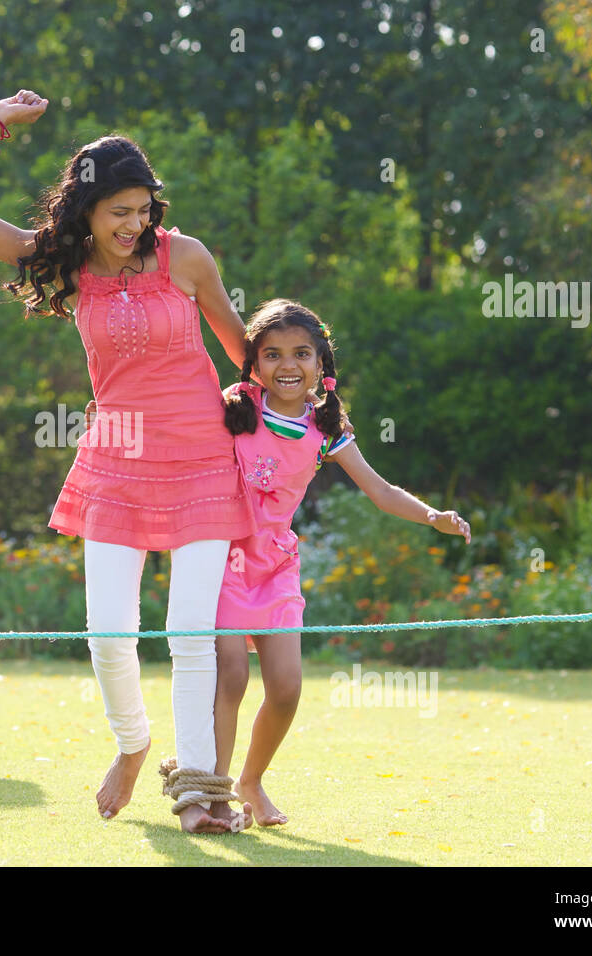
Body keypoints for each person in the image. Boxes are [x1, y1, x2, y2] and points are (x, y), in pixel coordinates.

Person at [0, 90, 257, 833]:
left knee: (188, 635)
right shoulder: (69, 262)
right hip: (115, 458)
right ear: (85, 209)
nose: (134, 223)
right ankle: (133, 745)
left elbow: (246, 355)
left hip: (203, 458)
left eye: (144, 208)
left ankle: (204, 796)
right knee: (108, 633)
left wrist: (309, 415)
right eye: (119, 210)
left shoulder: (188, 258)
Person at [214, 299, 472, 825]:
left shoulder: (325, 426)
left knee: (285, 689)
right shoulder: (234, 407)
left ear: (321, 364)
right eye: (273, 354)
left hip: (276, 564)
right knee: (231, 676)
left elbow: (379, 489)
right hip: (222, 557)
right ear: (254, 364)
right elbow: (175, 431)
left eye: (302, 353)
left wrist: (432, 515)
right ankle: (215, 790)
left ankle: (250, 781)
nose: (288, 365)